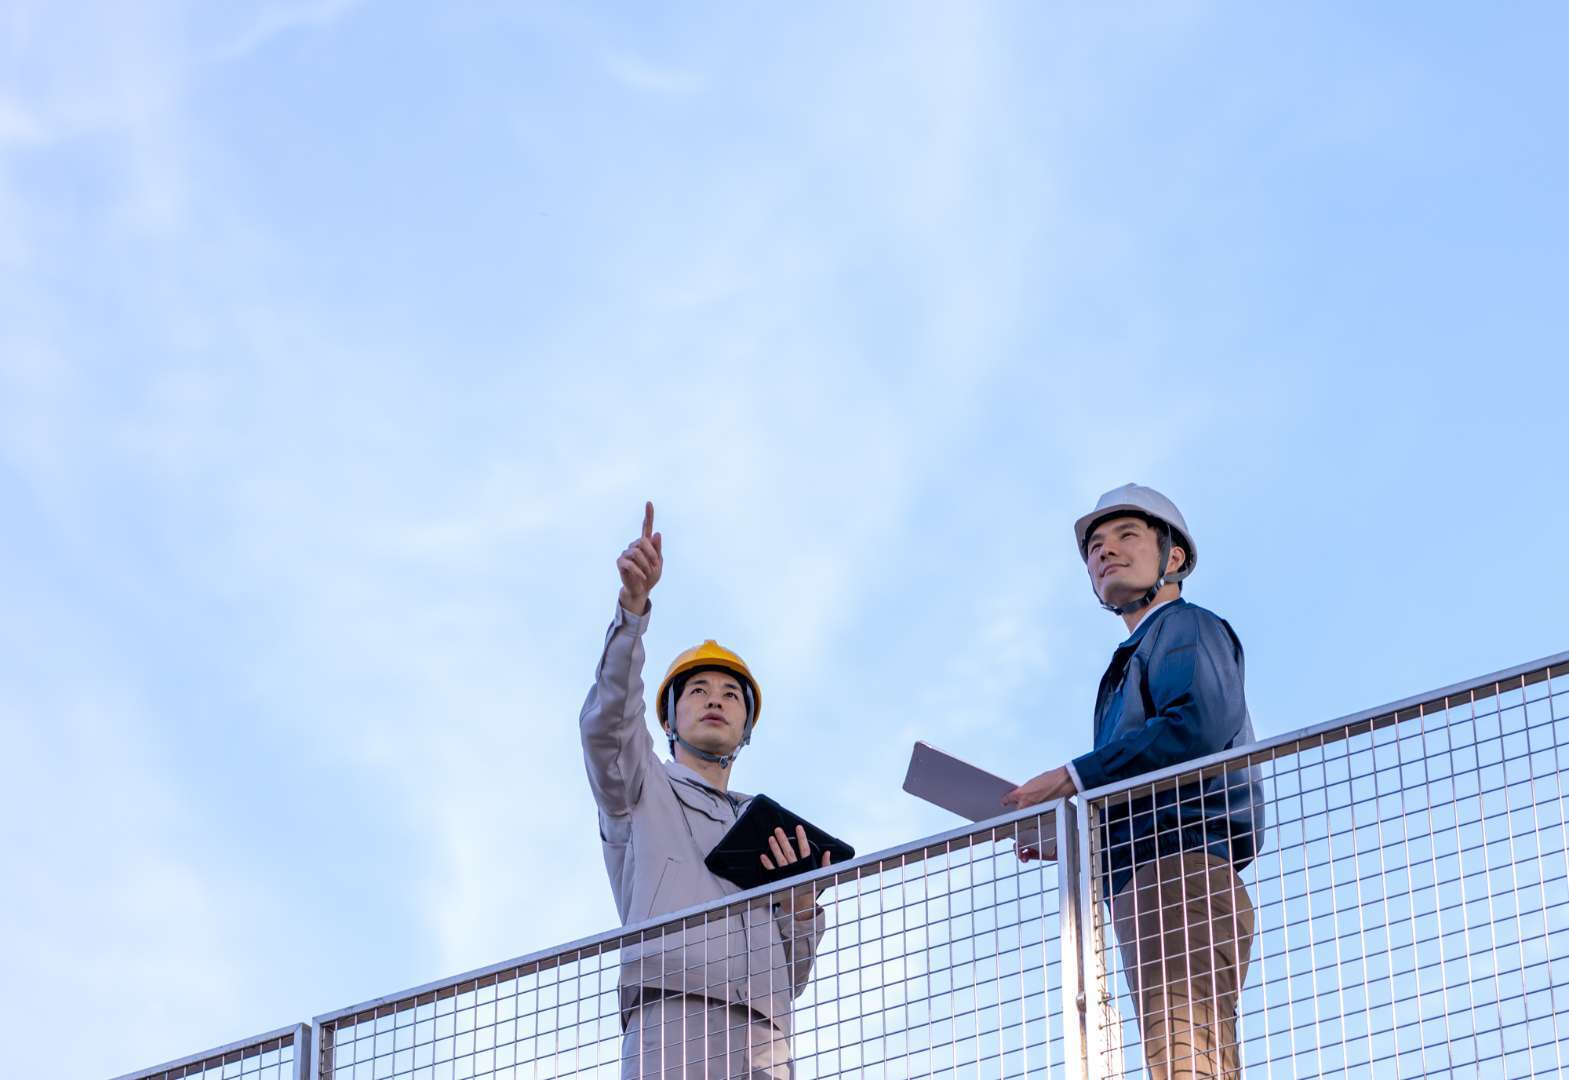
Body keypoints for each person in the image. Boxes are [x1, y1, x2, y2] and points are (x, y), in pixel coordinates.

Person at [1003, 484, 1264, 1079]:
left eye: (1126, 536)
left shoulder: (1185, 626)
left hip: (1182, 871)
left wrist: (1072, 778)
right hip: (1148, 878)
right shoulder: (1134, 657)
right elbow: (1146, 777)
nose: (1104, 551)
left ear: (1174, 556)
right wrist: (1080, 835)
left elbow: (1195, 726)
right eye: (1095, 546)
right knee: (1179, 1055)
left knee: (1185, 1055)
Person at [580, 502, 830, 1079]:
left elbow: (793, 975)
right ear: (668, 720)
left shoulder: (766, 827)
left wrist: (800, 908)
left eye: (731, 694)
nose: (716, 698)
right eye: (697, 690)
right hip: (672, 1015)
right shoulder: (641, 786)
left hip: (766, 1038)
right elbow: (608, 722)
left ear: (746, 729)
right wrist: (632, 613)